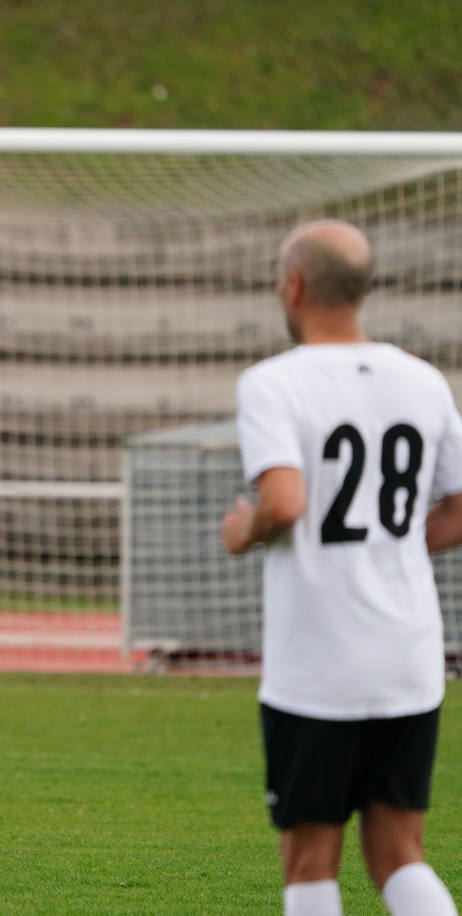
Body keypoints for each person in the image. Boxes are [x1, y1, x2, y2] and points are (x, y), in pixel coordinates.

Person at [222, 219, 462, 916]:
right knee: (398, 855)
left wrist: (243, 531)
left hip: (319, 665)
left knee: (309, 863)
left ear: (293, 287)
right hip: (409, 658)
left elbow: (286, 501)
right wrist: (388, 550)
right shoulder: (423, 381)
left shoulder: (272, 383)